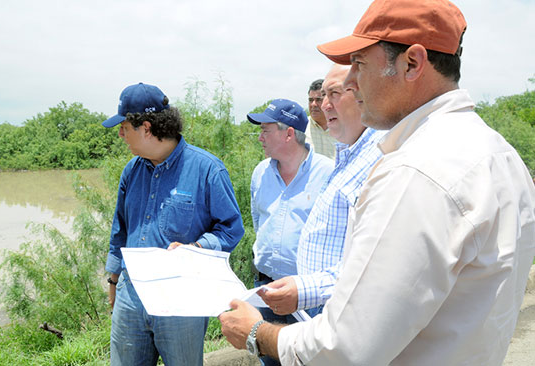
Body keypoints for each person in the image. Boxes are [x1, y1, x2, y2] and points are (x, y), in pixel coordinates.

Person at [219, 0, 535, 365]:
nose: (351, 81)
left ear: (412, 63)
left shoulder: (415, 171)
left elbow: (346, 348)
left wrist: (258, 333)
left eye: (360, 64)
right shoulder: (500, 154)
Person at [102, 82, 244, 366]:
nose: (119, 134)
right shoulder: (132, 170)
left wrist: (196, 247)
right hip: (131, 296)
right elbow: (121, 229)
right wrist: (113, 280)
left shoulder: (207, 170)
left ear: (145, 127)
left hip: (182, 297)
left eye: (124, 128)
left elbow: (231, 228)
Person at [258, 64, 385, 318]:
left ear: (364, 94)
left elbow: (376, 261)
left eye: (334, 94)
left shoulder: (381, 157)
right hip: (296, 294)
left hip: (328, 304)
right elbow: (259, 218)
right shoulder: (348, 154)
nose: (323, 105)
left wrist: (305, 290)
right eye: (320, 96)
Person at [248, 98, 333, 366]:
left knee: (310, 360)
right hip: (265, 289)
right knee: (269, 359)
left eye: (265, 130)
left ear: (288, 134)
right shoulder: (260, 172)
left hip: (309, 295)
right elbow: (258, 222)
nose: (259, 137)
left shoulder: (327, 173)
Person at [304, 79, 337, 160]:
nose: (313, 104)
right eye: (311, 100)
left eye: (318, 100)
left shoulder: (343, 130)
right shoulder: (300, 129)